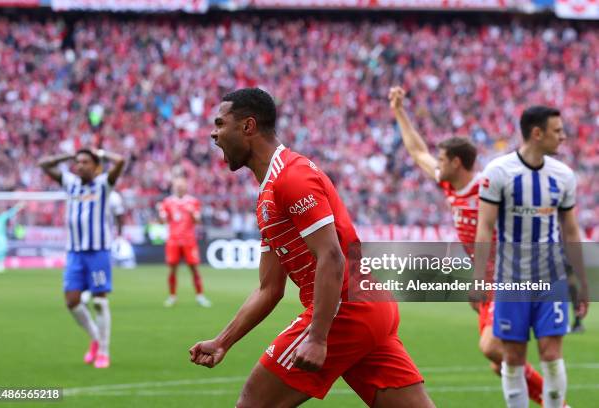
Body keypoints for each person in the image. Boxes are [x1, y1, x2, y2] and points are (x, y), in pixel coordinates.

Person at [191, 88, 434, 408]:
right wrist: (223, 341)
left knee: (253, 404)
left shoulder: (292, 177)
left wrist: (318, 337)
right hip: (367, 308)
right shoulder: (267, 195)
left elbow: (331, 255)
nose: (213, 133)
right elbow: (269, 289)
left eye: (220, 123)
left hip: (347, 310)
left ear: (248, 127)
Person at [388, 86, 547, 405]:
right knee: (497, 363)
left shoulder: (488, 187)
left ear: (457, 163)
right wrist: (399, 112)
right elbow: (418, 152)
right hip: (487, 278)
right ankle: (548, 399)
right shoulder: (449, 184)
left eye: (443, 159)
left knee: (492, 348)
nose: (438, 164)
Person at [474, 106, 588, 408]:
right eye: (557, 130)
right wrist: (477, 280)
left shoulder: (563, 175)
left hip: (552, 280)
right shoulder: (498, 172)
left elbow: (571, 231)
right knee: (513, 357)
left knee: (551, 355)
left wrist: (582, 284)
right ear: (537, 133)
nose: (563, 136)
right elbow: (484, 228)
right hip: (511, 281)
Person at [39, 148, 125, 369]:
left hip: (97, 251)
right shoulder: (70, 182)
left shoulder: (104, 184)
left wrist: (103, 154)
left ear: (95, 166)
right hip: (75, 252)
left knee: (98, 301)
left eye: (85, 162)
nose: (80, 165)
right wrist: (65, 157)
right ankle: (96, 337)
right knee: (72, 302)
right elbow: (44, 164)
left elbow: (121, 160)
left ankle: (104, 351)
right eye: (77, 162)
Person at [157, 176, 211, 308]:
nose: (179, 187)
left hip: (189, 240)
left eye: (181, 185)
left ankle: (200, 296)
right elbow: (162, 222)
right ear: (173, 187)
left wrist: (193, 214)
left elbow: (198, 221)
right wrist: (160, 215)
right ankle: (172, 296)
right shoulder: (167, 202)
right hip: (173, 240)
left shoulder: (193, 202)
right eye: (177, 185)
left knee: (194, 269)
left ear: (186, 187)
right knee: (172, 270)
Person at [0, 202, 24, 273]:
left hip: (1, 236)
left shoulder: (4, 216)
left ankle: (0, 264)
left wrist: (18, 206)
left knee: (1, 250)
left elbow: (11, 212)